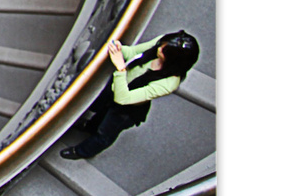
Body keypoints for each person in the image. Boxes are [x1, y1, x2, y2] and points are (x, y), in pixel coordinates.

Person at [61, 31, 201, 160]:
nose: (159, 48)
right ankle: (90, 126)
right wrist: (118, 49)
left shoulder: (168, 83)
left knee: (106, 132)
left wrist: (120, 68)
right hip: (118, 86)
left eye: (164, 50)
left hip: (127, 108)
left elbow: (124, 99)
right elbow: (134, 52)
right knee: (102, 112)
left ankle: (82, 151)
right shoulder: (162, 45)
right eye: (162, 45)